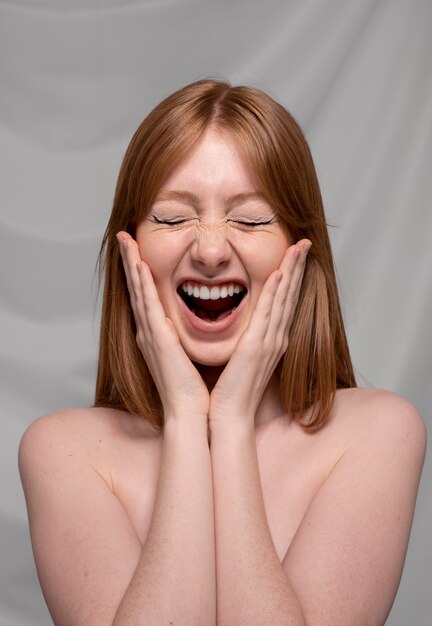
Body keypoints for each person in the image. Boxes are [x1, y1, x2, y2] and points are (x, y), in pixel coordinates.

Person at [19, 79, 426, 625]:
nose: (210, 250)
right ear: (130, 247)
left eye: (251, 218)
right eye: (171, 217)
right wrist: (188, 417)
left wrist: (231, 420)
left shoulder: (379, 433)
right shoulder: (61, 451)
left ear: (301, 250)